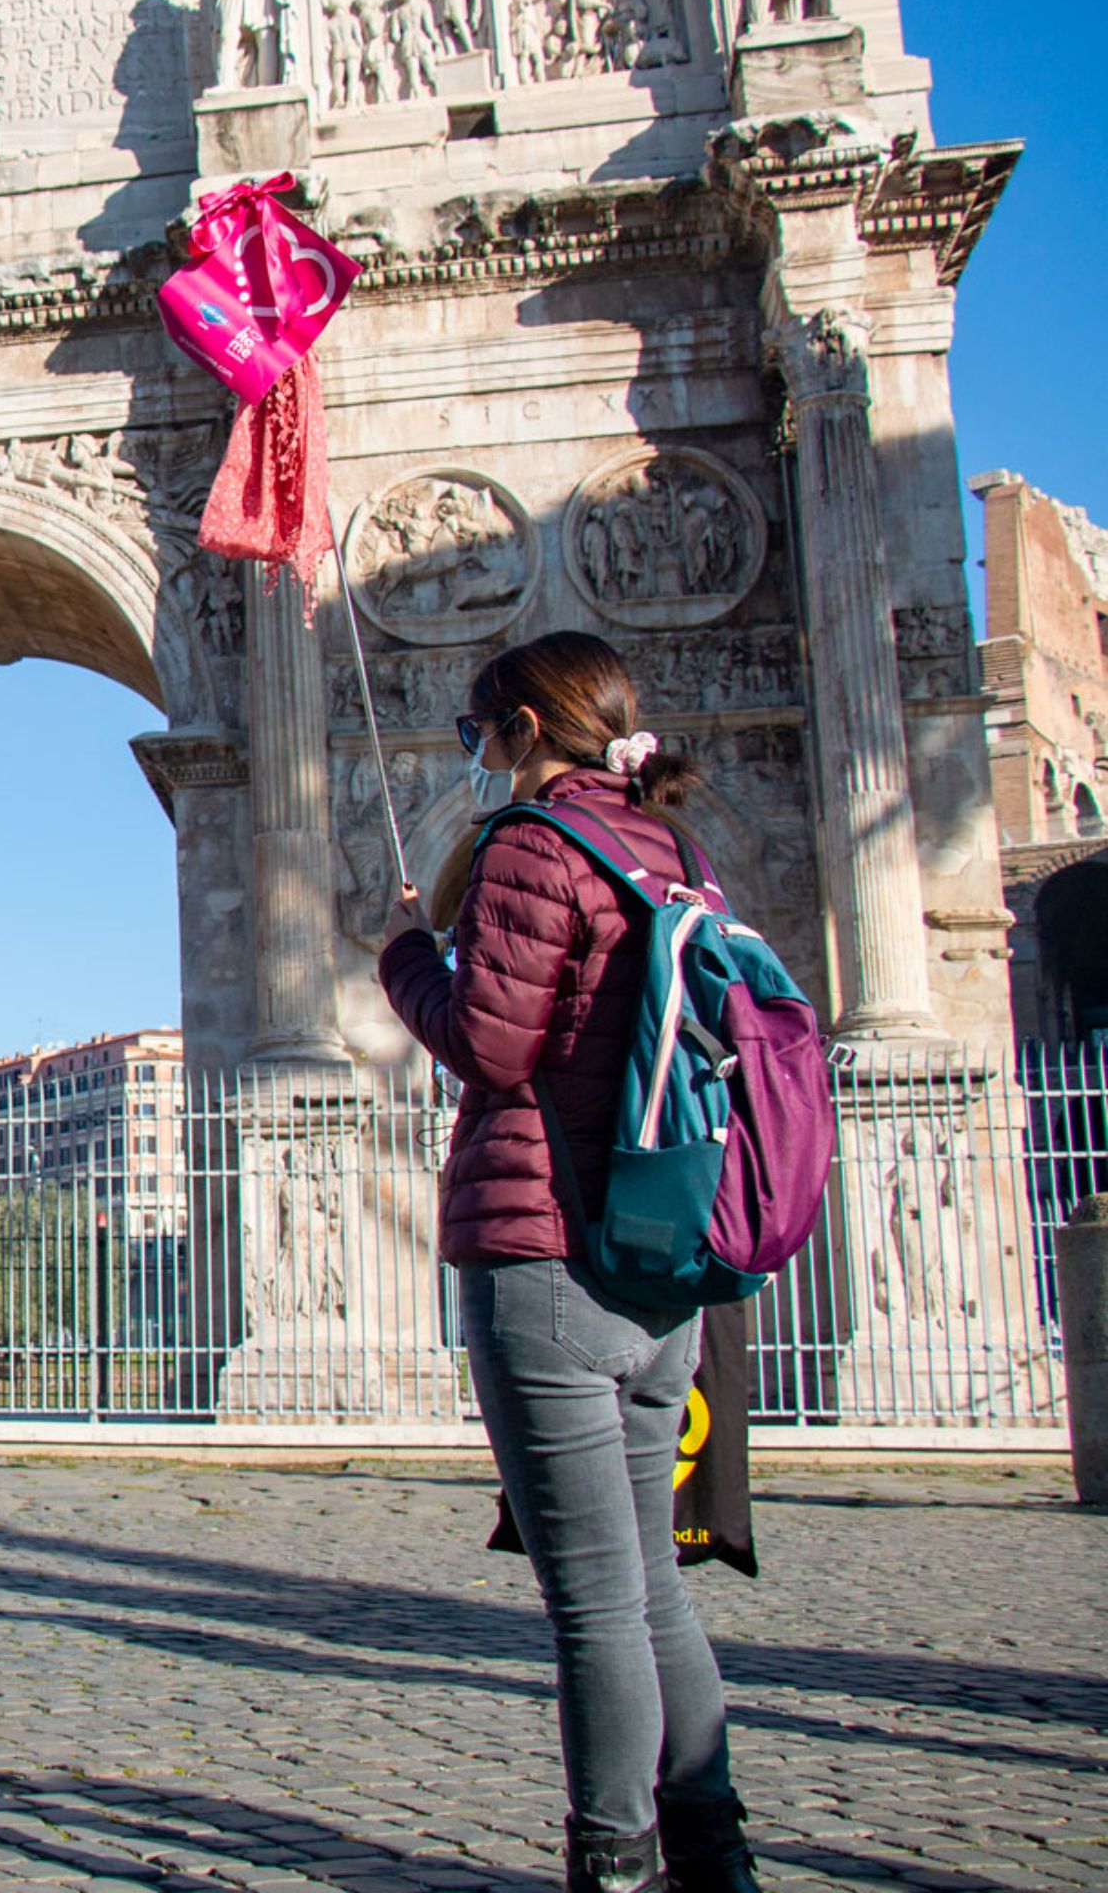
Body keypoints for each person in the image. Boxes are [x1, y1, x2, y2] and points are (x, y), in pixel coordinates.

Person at [378, 630, 761, 1893]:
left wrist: (405, 959)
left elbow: (488, 1046)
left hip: (543, 1253)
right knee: (652, 1581)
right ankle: (716, 1855)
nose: (475, 756)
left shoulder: (528, 845)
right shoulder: (677, 849)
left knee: (593, 1601)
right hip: (660, 1253)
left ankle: (615, 1866)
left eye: (477, 733)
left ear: (528, 730)